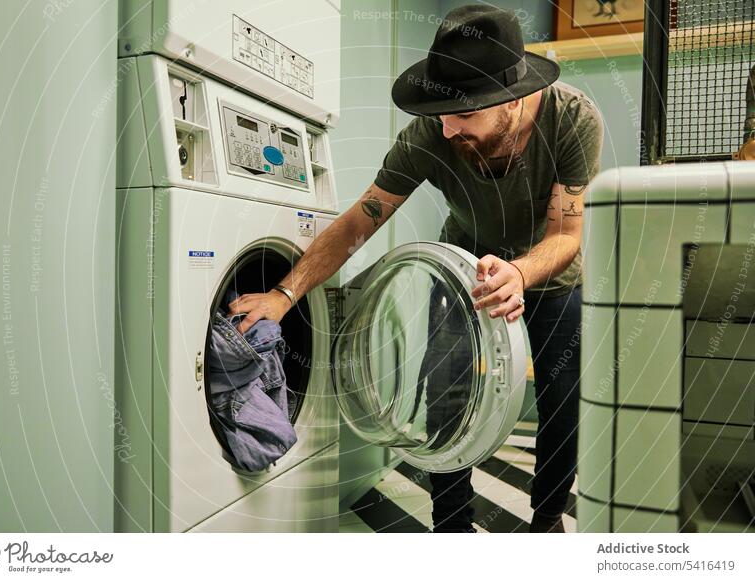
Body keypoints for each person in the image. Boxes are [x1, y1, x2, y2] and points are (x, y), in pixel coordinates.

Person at [227, 4, 603, 533]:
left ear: (511, 100)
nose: (447, 130)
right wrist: (283, 295)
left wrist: (519, 273)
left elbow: (565, 233)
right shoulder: (432, 132)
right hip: (462, 269)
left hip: (550, 271)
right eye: (442, 114)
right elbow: (360, 220)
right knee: (444, 391)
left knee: (562, 401)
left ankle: (545, 524)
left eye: (465, 115)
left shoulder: (572, 119)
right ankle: (450, 526)